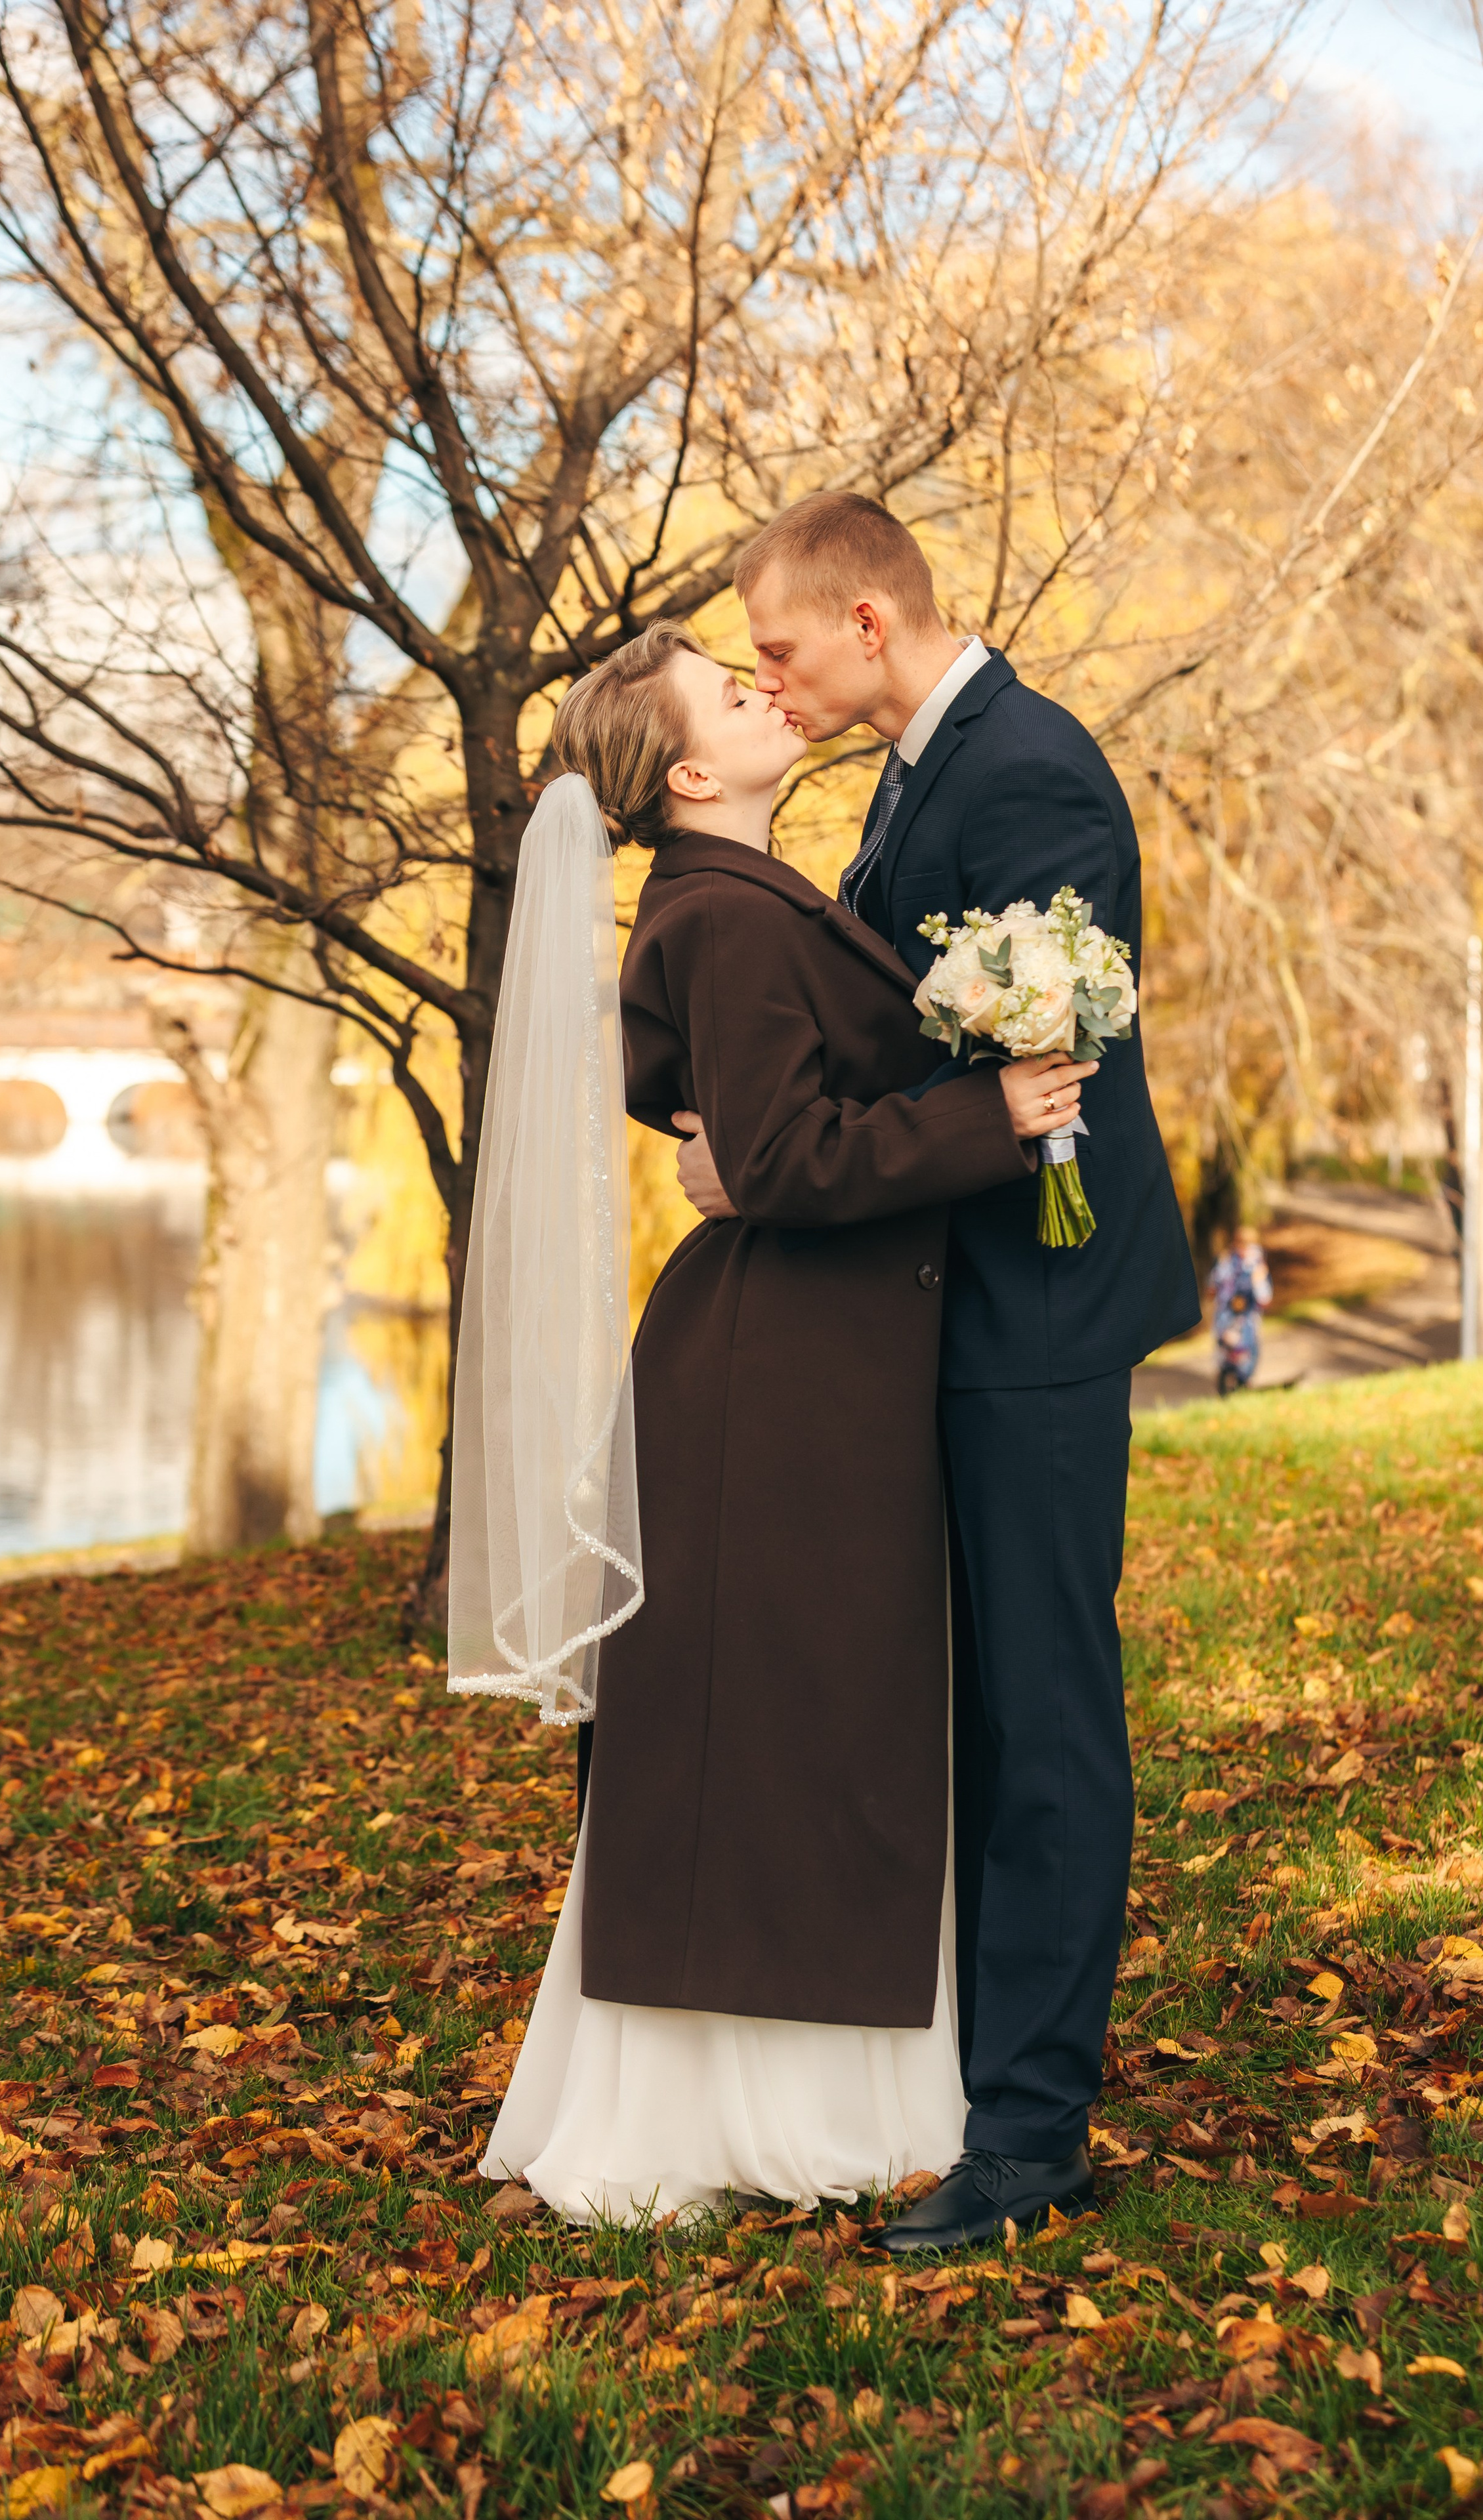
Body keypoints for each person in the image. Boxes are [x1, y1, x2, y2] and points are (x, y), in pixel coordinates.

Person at [448, 619, 1094, 2223]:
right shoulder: (723, 913)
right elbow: (792, 1156)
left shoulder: (740, 897)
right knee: (772, 1730)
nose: (763, 692)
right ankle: (734, 2108)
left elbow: (712, 1111)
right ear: (682, 770)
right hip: (776, 1378)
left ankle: (830, 2078)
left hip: (807, 1366)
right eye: (728, 695)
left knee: (804, 1727)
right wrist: (989, 1113)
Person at [675, 494, 1200, 2254]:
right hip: (955, 1304)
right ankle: (975, 2074)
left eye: (778, 647)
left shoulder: (1026, 769)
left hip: (1036, 1310)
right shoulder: (921, 767)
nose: (774, 679)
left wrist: (786, 1160)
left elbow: (1037, 1060)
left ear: (869, 623)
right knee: (979, 1705)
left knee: (1044, 1712)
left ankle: (1032, 2131)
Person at [1209, 1229, 1272, 1395]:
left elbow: (1264, 1299)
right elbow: (1211, 1290)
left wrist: (1257, 1280)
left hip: (1247, 1321)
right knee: (1228, 1359)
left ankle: (1242, 1386)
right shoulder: (1225, 1263)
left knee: (1246, 1358)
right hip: (1226, 1319)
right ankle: (1227, 1390)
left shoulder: (1256, 1266)